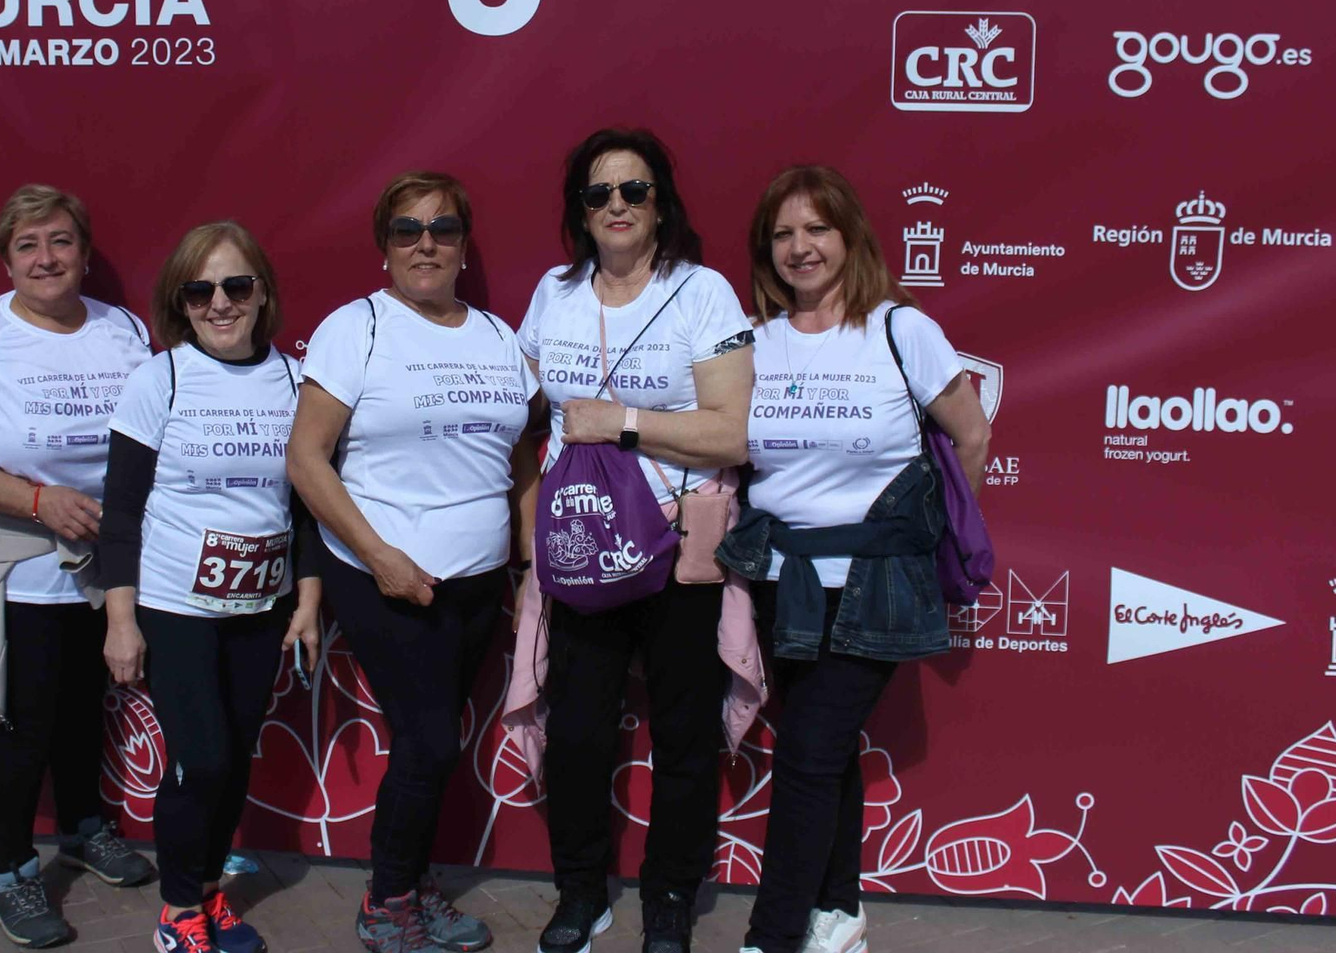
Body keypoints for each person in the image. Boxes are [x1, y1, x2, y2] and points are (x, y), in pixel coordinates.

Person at [719, 165, 990, 953]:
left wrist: (917, 535)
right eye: (782, 233)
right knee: (820, 750)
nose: (800, 247)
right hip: (783, 581)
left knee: (806, 753)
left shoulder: (901, 328)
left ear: (850, 235)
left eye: (816, 228)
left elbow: (970, 436)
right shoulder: (752, 340)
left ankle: (771, 936)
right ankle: (837, 913)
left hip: (878, 584)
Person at [287, 172, 537, 953]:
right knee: (428, 741)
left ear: (465, 243)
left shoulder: (500, 337)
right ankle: (386, 901)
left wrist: (528, 567)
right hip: (384, 576)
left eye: (443, 227)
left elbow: (523, 460)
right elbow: (306, 457)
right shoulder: (355, 327)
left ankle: (416, 883)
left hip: (475, 579)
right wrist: (378, 555)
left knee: (438, 740)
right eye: (406, 229)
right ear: (384, 246)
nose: (425, 242)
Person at [518, 129, 754, 953]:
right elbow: (527, 417)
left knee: (684, 737)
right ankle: (579, 892)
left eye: (634, 190)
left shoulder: (703, 293)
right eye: (598, 192)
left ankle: (669, 899)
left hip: (677, 545)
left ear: (661, 205)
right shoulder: (555, 292)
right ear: (579, 212)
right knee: (579, 732)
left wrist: (618, 420)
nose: (615, 204)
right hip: (582, 543)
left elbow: (733, 432)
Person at [0, 184, 158, 948]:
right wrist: (38, 500)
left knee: (87, 706)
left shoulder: (124, 328)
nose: (46, 258)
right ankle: (9, 872)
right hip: (17, 559)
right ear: (7, 260)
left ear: (84, 253)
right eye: (27, 245)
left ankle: (84, 825)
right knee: (26, 723)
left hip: (106, 557)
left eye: (59, 241)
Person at [99, 222, 324, 953]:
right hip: (176, 606)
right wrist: (121, 620)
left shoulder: (295, 381)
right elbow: (122, 510)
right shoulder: (158, 378)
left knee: (233, 755)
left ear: (263, 293)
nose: (219, 303)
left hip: (260, 607)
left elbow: (306, 505)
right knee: (205, 757)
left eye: (236, 285)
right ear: (181, 302)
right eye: (200, 290)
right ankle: (173, 912)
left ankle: (203, 897)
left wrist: (310, 600)